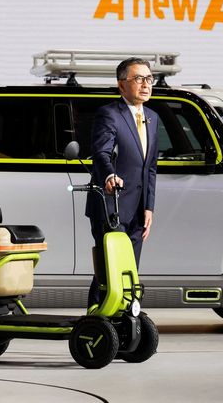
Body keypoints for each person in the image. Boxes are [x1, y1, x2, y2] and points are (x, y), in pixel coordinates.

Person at [85, 57, 159, 308]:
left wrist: (149, 207)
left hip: (138, 208)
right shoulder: (110, 114)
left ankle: (126, 321)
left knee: (130, 271)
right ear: (121, 85)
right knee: (109, 270)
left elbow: (150, 168)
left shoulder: (152, 117)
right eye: (138, 78)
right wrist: (109, 176)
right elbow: (101, 153)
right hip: (111, 205)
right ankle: (96, 321)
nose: (146, 84)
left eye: (149, 78)